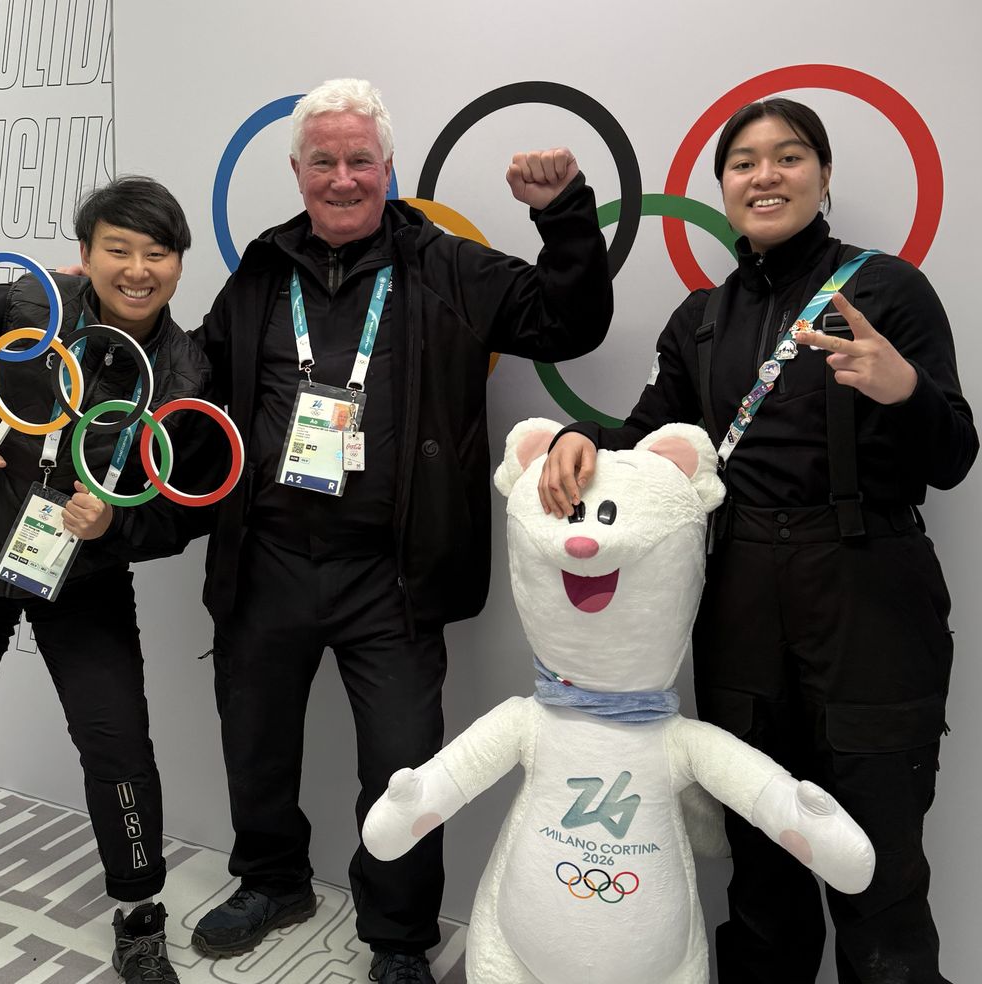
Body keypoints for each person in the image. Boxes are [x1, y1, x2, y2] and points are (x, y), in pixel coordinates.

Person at [541, 98, 976, 983]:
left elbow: (955, 457)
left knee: (880, 877)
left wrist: (904, 389)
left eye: (789, 156)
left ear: (823, 175)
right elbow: (647, 443)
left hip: (868, 600)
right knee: (762, 874)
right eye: (743, 162)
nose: (765, 175)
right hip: (739, 599)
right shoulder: (702, 318)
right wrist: (575, 440)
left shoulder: (886, 290)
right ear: (724, 186)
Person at [190, 78, 613, 983]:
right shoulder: (263, 270)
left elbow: (570, 322)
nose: (342, 178)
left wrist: (565, 216)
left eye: (359, 160)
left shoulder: (447, 265)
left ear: (388, 167)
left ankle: (398, 935)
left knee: (402, 768)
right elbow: (197, 376)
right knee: (255, 741)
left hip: (391, 574)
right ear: (297, 171)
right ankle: (271, 880)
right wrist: (108, 327)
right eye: (323, 161)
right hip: (268, 560)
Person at [0, 176, 215, 984]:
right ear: (86, 253)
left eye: (156, 253)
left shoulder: (185, 371)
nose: (136, 270)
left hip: (83, 576)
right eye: (118, 249)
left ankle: (139, 914)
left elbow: (187, 507)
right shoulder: (23, 304)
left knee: (117, 741)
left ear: (179, 264)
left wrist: (118, 526)